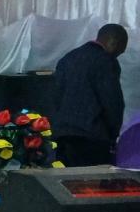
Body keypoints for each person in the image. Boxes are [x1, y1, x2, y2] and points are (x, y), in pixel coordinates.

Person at [52, 24, 128, 166]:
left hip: (64, 136)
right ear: (113, 42)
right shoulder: (105, 61)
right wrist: (113, 134)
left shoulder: (68, 58)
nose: (118, 54)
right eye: (120, 50)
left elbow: (56, 97)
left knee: (67, 184)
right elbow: (112, 102)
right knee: (90, 185)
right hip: (93, 137)